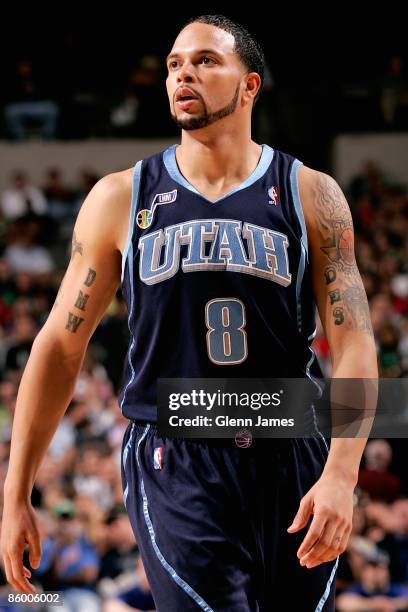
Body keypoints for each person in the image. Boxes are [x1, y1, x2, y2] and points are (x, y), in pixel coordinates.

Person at [0, 14, 378, 611]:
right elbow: (59, 346)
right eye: (176, 64)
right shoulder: (121, 197)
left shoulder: (312, 194)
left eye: (205, 61)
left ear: (250, 85)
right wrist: (15, 489)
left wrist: (342, 473)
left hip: (294, 446)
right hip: (176, 457)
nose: (184, 74)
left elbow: (355, 341)